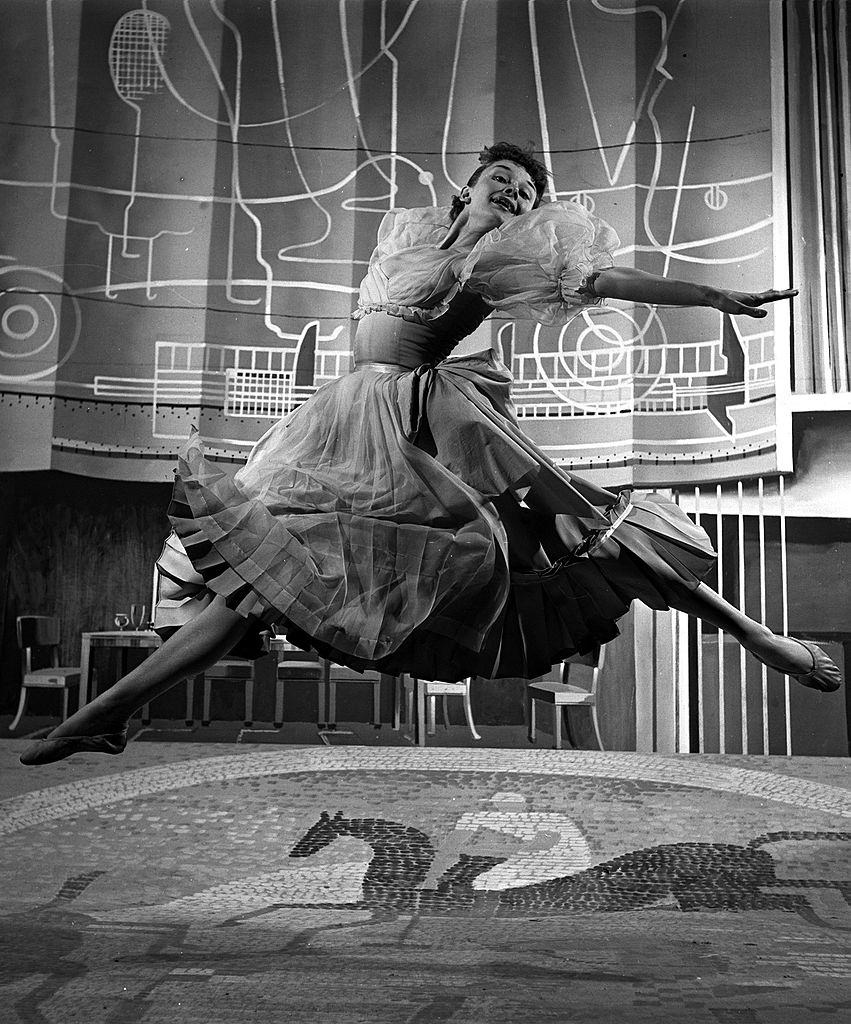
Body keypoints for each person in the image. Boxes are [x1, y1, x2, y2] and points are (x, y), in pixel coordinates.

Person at [20, 143, 840, 766]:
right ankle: (112, 713)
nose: (513, 193)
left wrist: (713, 296)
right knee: (255, 575)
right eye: (502, 181)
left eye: (526, 194)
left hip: (422, 417)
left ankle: (758, 637)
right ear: (469, 183)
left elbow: (609, 281)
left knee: (578, 528)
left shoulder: (501, 262)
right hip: (343, 422)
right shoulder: (409, 231)